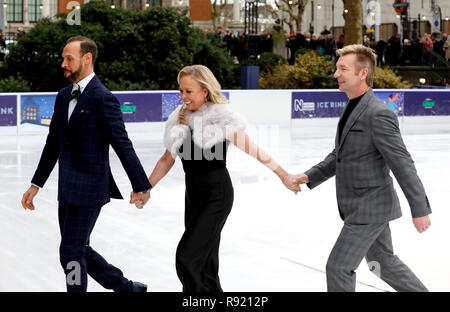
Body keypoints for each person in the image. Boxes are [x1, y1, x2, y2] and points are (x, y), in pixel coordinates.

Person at [130, 65, 300, 292]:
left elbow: (255, 150)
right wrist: (145, 188)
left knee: (187, 257)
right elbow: (166, 160)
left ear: (205, 91)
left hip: (216, 195)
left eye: (189, 91)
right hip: (193, 196)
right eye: (181, 91)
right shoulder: (178, 118)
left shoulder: (221, 117)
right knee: (206, 262)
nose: (183, 97)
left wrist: (284, 176)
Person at [295, 44, 431, 292]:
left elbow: (402, 163)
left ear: (363, 74)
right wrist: (308, 176)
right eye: (337, 68)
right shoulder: (353, 106)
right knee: (383, 264)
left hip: (368, 208)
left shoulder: (377, 114)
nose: (336, 73)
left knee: (338, 268)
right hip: (362, 206)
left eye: (343, 68)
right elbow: (341, 155)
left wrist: (419, 208)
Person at [21, 36, 152, 292]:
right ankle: (126, 288)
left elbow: (122, 144)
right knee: (78, 249)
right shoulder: (62, 96)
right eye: (63, 58)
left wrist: (141, 185)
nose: (63, 63)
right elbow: (52, 144)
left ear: (87, 58)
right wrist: (36, 184)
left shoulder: (103, 98)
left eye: (68, 58)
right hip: (66, 189)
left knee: (69, 252)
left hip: (91, 188)